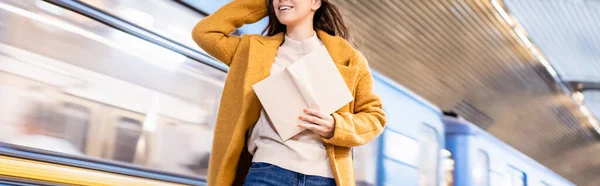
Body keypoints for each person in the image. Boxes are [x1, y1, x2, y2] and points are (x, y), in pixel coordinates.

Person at [192, 0, 386, 185]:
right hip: (268, 171)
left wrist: (335, 126)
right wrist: (268, 3)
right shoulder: (251, 51)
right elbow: (205, 32)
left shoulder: (349, 59)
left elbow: (375, 117)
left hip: (324, 177)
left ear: (315, 3)